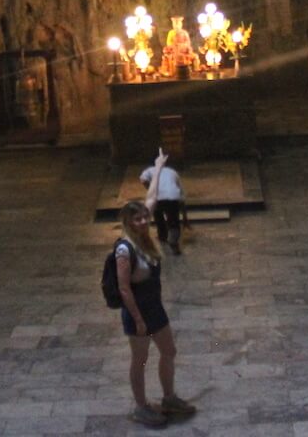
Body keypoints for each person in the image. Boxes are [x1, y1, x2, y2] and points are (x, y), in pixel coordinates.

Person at [117, 149, 196, 428]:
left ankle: (169, 397)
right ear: (128, 223)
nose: (142, 222)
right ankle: (140, 407)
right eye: (137, 219)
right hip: (137, 312)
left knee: (169, 350)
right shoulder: (125, 250)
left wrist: (158, 167)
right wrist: (137, 320)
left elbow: (151, 198)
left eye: (143, 218)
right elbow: (124, 289)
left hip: (155, 307)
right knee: (140, 359)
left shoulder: (143, 232)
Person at [139, 158, 185, 254]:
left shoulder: (150, 170)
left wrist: (149, 187)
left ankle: (162, 235)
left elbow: (142, 179)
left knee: (158, 215)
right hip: (173, 196)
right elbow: (180, 187)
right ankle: (174, 241)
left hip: (158, 196)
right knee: (173, 219)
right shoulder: (172, 171)